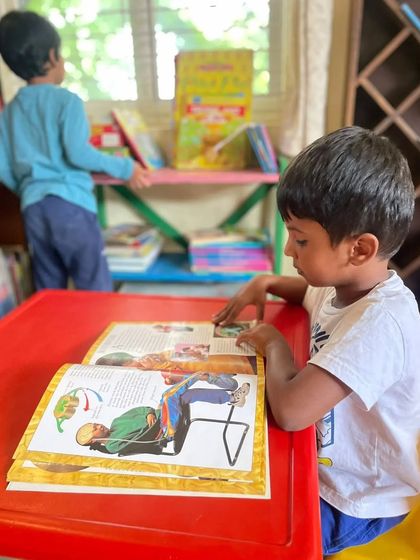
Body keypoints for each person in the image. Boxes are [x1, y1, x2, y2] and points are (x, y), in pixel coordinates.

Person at [212, 126, 420, 556]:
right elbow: (306, 292)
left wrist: (273, 342)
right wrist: (268, 282)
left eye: (301, 239)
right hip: (321, 462)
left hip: (356, 495)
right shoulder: (342, 282)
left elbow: (290, 411)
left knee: (260, 541)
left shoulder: (383, 323)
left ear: (359, 249)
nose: (289, 249)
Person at [0, 10, 150, 291]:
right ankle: (100, 335)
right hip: (71, 207)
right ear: (54, 56)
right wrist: (126, 167)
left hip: (33, 208)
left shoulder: (9, 112)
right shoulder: (67, 101)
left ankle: (55, 335)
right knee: (93, 284)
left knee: (49, 288)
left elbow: (2, 167)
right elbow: (77, 153)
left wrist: (30, 191)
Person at [76, 373, 251, 455]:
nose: (99, 425)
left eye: (96, 423)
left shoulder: (116, 421)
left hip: (161, 415)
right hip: (165, 430)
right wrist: (102, 444)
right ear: (94, 440)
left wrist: (148, 414)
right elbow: (140, 440)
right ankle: (203, 376)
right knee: (169, 395)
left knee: (186, 395)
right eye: (95, 429)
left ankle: (231, 397)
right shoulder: (112, 446)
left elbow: (142, 409)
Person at [95, 349, 257, 375]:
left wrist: (161, 356)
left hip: (236, 356)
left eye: (133, 358)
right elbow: (180, 374)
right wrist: (158, 366)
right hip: (242, 370)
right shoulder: (154, 370)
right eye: (131, 363)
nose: (138, 360)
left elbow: (182, 352)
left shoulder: (158, 356)